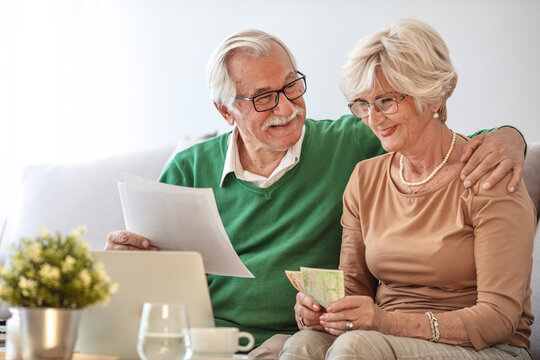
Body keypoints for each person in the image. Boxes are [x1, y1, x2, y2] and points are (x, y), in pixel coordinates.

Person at [105, 29, 528, 358]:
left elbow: (440, 141)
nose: (287, 108)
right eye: (265, 98)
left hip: (295, 342)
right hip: (209, 340)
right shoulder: (188, 168)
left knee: (321, 347)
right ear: (224, 110)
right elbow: (150, 285)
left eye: (292, 87)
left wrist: (512, 137)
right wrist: (128, 267)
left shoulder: (352, 142)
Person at [281, 19, 536, 360]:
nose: (373, 118)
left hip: (486, 346)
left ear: (431, 95)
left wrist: (386, 323)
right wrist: (320, 311)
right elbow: (353, 288)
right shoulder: (365, 178)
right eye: (362, 104)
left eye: (386, 100)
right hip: (381, 338)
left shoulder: (488, 175)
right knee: (303, 345)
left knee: (358, 347)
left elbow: (499, 319)